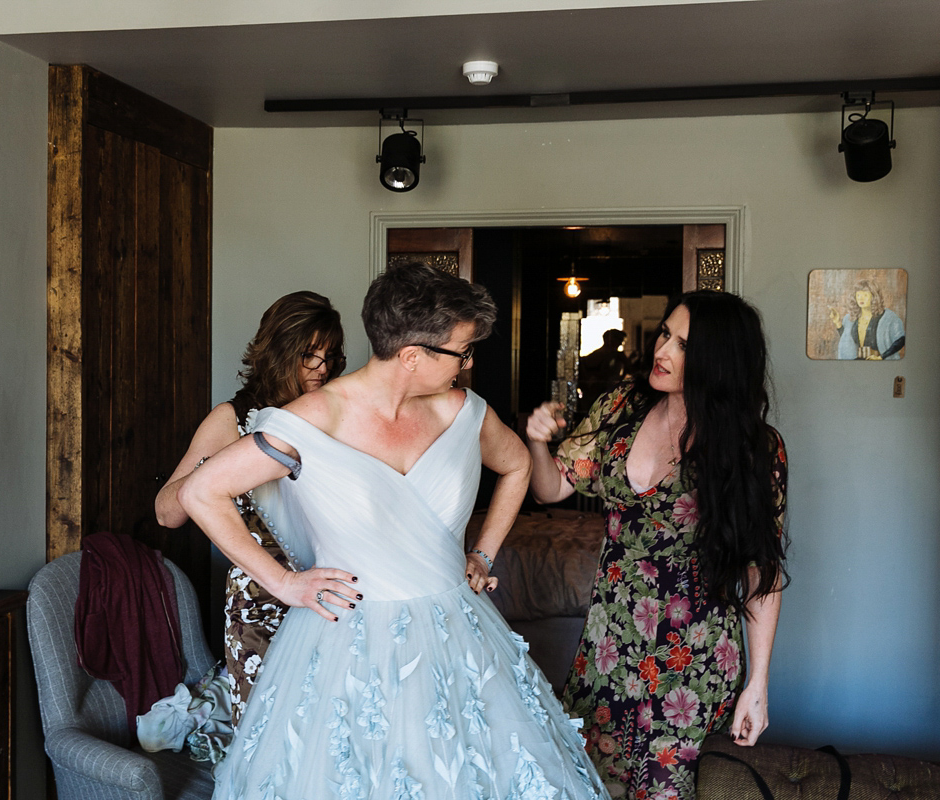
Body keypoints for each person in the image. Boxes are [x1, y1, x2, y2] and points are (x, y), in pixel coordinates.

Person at [180, 262, 610, 800]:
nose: (470, 362)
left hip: (459, 633)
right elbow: (198, 493)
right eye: (463, 351)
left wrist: (483, 553)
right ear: (412, 356)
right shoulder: (309, 420)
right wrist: (285, 583)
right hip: (345, 641)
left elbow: (519, 465)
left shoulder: (462, 410)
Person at [526, 291, 788, 800]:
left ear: (719, 360)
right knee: (586, 787)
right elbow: (550, 488)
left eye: (684, 345)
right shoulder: (619, 407)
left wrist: (758, 686)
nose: (662, 350)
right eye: (665, 334)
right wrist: (538, 443)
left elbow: (762, 574)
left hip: (694, 666)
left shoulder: (753, 448)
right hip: (606, 652)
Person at [155, 290, 345, 726]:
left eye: (329, 357)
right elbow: (168, 512)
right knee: (265, 730)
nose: (320, 369)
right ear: (278, 351)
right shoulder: (233, 418)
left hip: (329, 588)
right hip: (260, 600)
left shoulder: (334, 413)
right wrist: (225, 464)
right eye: (308, 356)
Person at [828, 278, 905, 360]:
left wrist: (881, 357)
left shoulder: (888, 317)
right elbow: (847, 340)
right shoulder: (850, 318)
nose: (861, 298)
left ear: (874, 297)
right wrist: (838, 323)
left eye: (865, 295)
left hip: (879, 364)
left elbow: (901, 340)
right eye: (858, 295)